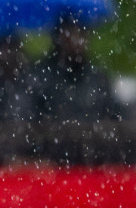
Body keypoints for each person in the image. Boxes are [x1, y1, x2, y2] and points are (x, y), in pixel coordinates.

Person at [21, 15, 127, 165]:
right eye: (72, 34)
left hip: (93, 164)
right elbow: (29, 119)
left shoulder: (98, 77)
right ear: (59, 37)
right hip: (52, 165)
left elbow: (114, 117)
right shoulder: (42, 76)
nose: (78, 40)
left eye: (82, 34)